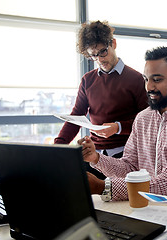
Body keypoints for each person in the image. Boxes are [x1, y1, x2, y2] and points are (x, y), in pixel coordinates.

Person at [78, 46, 167, 201]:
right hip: (147, 200)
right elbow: (129, 168)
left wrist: (103, 187)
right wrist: (96, 158)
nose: (149, 87)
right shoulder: (142, 118)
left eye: (157, 79)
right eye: (146, 79)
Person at [54, 21, 148, 178]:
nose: (99, 60)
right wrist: (58, 147)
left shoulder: (137, 79)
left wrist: (117, 127)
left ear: (114, 44)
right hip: (94, 156)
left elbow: (147, 122)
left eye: (103, 52)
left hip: (125, 156)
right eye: (93, 55)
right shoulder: (87, 80)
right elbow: (76, 115)